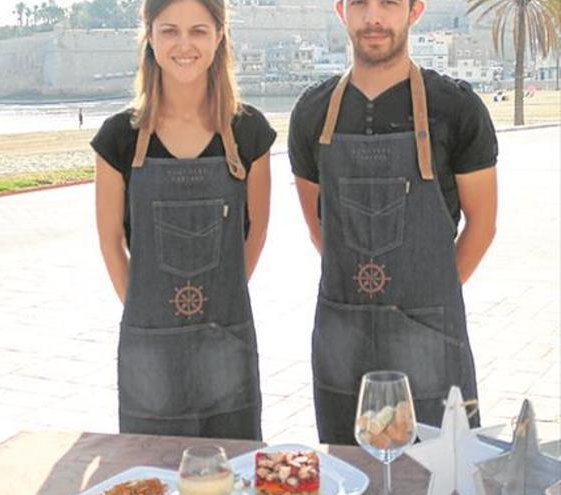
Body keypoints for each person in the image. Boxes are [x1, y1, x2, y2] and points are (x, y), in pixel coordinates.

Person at [288, 0, 498, 444]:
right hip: (342, 336)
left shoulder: (457, 108)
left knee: (442, 472)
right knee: (350, 467)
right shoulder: (311, 113)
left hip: (430, 337)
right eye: (360, 3)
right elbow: (316, 223)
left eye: (388, 3)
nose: (374, 17)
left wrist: (428, 297)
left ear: (415, 10)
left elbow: (483, 224)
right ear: (341, 10)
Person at [92, 0, 274, 439]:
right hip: (148, 350)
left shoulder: (249, 133)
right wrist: (145, 313)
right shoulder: (119, 137)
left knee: (233, 469)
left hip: (226, 343)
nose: (184, 44)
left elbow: (257, 233)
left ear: (219, 37)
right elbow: (110, 242)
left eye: (198, 30)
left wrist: (220, 303)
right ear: (149, 38)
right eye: (169, 30)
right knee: (149, 469)